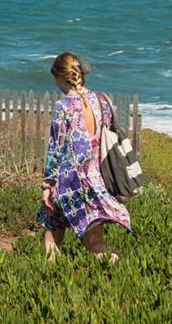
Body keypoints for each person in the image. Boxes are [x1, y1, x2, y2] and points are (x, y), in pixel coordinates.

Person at [36, 52, 131, 261]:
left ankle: (49, 280)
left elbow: (55, 149)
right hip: (96, 180)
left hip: (68, 182)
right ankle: (117, 272)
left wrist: (47, 186)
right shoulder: (103, 101)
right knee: (95, 243)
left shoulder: (64, 106)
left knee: (51, 236)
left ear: (61, 78)